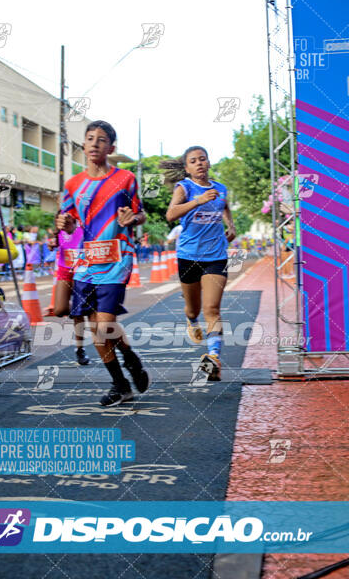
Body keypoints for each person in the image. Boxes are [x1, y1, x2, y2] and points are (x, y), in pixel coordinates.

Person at [56, 120, 150, 406]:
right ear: (83, 145)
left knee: (103, 325)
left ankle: (128, 368)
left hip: (116, 258)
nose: (95, 143)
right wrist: (64, 223)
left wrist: (132, 219)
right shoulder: (73, 184)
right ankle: (123, 381)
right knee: (99, 326)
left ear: (111, 147)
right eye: (90, 138)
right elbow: (68, 223)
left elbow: (141, 214)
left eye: (101, 140)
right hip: (86, 261)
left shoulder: (125, 179)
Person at [164, 146, 236, 379]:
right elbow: (171, 215)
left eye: (202, 159)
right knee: (193, 309)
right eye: (193, 161)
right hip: (189, 256)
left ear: (208, 162)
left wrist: (231, 225)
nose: (199, 163)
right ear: (187, 168)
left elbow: (224, 205)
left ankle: (213, 358)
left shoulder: (221, 188)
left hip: (216, 255)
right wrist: (198, 201)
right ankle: (191, 320)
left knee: (212, 309)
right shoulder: (184, 188)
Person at [52, 211, 89, 365]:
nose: (64, 222)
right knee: (59, 310)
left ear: (74, 219)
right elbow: (57, 244)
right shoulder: (58, 232)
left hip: (81, 270)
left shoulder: (84, 229)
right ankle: (77, 309)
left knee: (78, 312)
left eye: (67, 218)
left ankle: (80, 349)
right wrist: (51, 244)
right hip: (64, 271)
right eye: (61, 219)